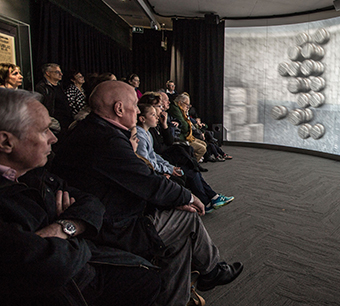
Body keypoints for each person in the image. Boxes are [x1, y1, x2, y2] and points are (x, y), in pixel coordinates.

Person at [52, 81, 243, 306]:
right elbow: (147, 181)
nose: (138, 109)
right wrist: (189, 197)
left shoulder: (92, 130)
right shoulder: (108, 140)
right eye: (135, 104)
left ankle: (184, 292)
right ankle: (209, 272)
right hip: (113, 226)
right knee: (186, 216)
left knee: (179, 233)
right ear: (119, 109)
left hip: (107, 216)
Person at [0, 88, 161, 306]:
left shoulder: (36, 174)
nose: (53, 138)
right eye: (44, 130)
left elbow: (91, 203)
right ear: (6, 142)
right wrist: (77, 233)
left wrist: (65, 227)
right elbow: (47, 264)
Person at [136, 103, 234, 213]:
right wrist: (168, 169)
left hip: (163, 164)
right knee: (190, 172)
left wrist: (169, 167)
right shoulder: (140, 136)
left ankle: (212, 198)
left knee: (192, 168)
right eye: (153, 115)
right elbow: (147, 162)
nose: (157, 117)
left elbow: (154, 155)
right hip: (156, 171)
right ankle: (208, 201)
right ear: (142, 119)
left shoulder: (147, 133)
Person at [35, 63, 73, 137]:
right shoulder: (42, 87)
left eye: (60, 72)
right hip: (55, 125)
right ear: (48, 73)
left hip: (66, 122)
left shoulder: (59, 86)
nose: (61, 74)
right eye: (57, 72)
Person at [168, 93, 208, 163]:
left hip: (187, 135)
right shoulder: (175, 109)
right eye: (187, 105)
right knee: (202, 149)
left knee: (204, 144)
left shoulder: (182, 110)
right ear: (180, 103)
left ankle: (192, 162)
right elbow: (185, 127)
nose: (188, 107)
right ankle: (191, 165)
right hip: (181, 137)